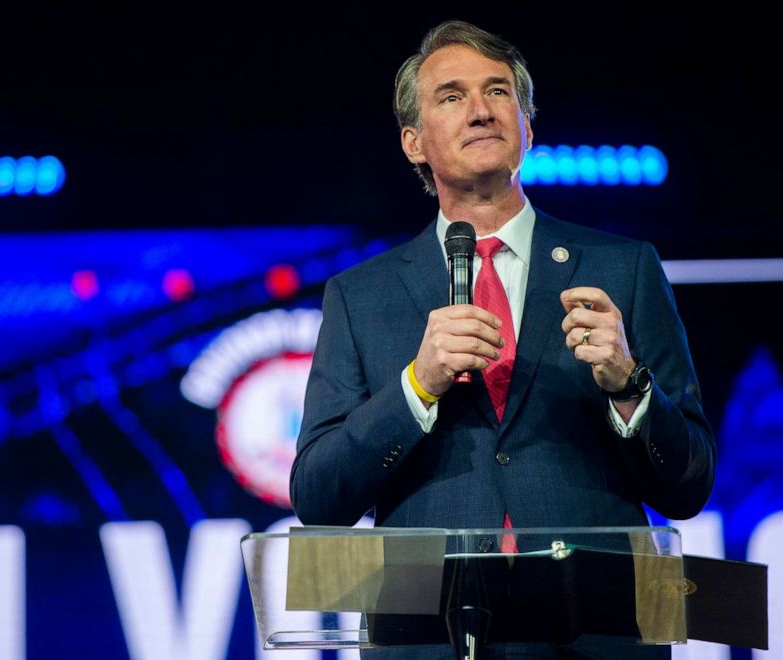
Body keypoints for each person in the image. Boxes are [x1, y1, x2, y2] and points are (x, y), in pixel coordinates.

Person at [289, 19, 715, 659]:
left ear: (528, 129)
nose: (482, 110)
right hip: (428, 632)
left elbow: (689, 487)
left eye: (499, 92)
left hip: (594, 628)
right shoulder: (360, 296)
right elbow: (318, 498)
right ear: (413, 142)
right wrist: (415, 386)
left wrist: (629, 387)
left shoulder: (621, 269)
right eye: (452, 96)